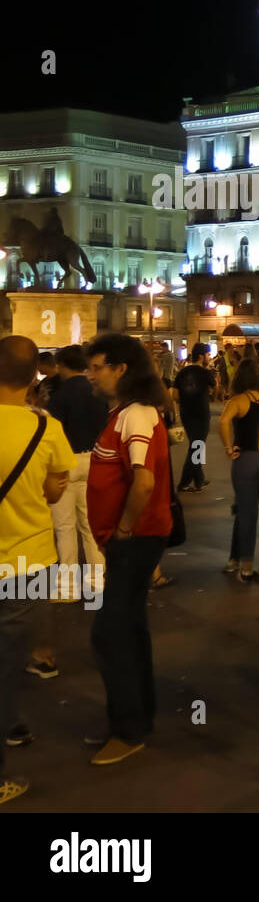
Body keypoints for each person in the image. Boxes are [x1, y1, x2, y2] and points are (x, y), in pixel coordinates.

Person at [84, 333, 174, 767]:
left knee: (110, 632)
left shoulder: (135, 415)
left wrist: (122, 528)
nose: (91, 375)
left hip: (135, 540)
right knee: (129, 627)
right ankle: (135, 717)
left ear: (121, 369)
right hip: (131, 540)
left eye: (97, 366)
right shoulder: (123, 413)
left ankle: (129, 728)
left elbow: (144, 481)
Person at [0, 336, 75, 801]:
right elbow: (52, 493)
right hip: (26, 564)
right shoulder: (45, 429)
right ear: (35, 379)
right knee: (6, 667)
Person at [47, 344, 109, 602]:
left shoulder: (60, 396)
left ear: (62, 366)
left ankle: (68, 587)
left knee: (64, 527)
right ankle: (97, 582)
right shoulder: (97, 393)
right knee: (89, 526)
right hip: (93, 460)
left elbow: (52, 432)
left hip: (66, 462)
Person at [219, 358, 259, 581]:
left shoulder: (237, 401)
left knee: (246, 514)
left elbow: (224, 422)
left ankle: (245, 567)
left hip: (245, 459)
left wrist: (228, 448)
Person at [174, 343, 215, 492]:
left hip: (186, 413)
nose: (209, 358)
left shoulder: (182, 372)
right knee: (197, 447)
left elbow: (174, 394)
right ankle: (184, 482)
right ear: (201, 356)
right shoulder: (205, 372)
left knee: (196, 446)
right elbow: (214, 386)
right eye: (208, 355)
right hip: (201, 413)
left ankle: (199, 480)